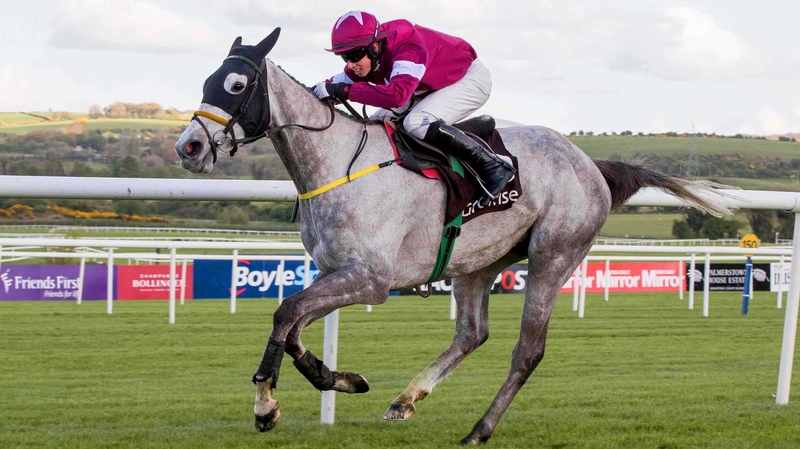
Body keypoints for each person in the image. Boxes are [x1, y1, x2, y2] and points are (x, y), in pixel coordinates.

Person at [313, 10, 515, 203]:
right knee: (375, 124)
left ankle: (494, 165)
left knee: (415, 123)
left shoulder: (407, 47)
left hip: (468, 80)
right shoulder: (366, 57)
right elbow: (332, 86)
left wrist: (344, 92)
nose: (350, 64)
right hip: (427, 87)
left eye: (354, 55)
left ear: (374, 47)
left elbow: (397, 96)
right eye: (344, 57)